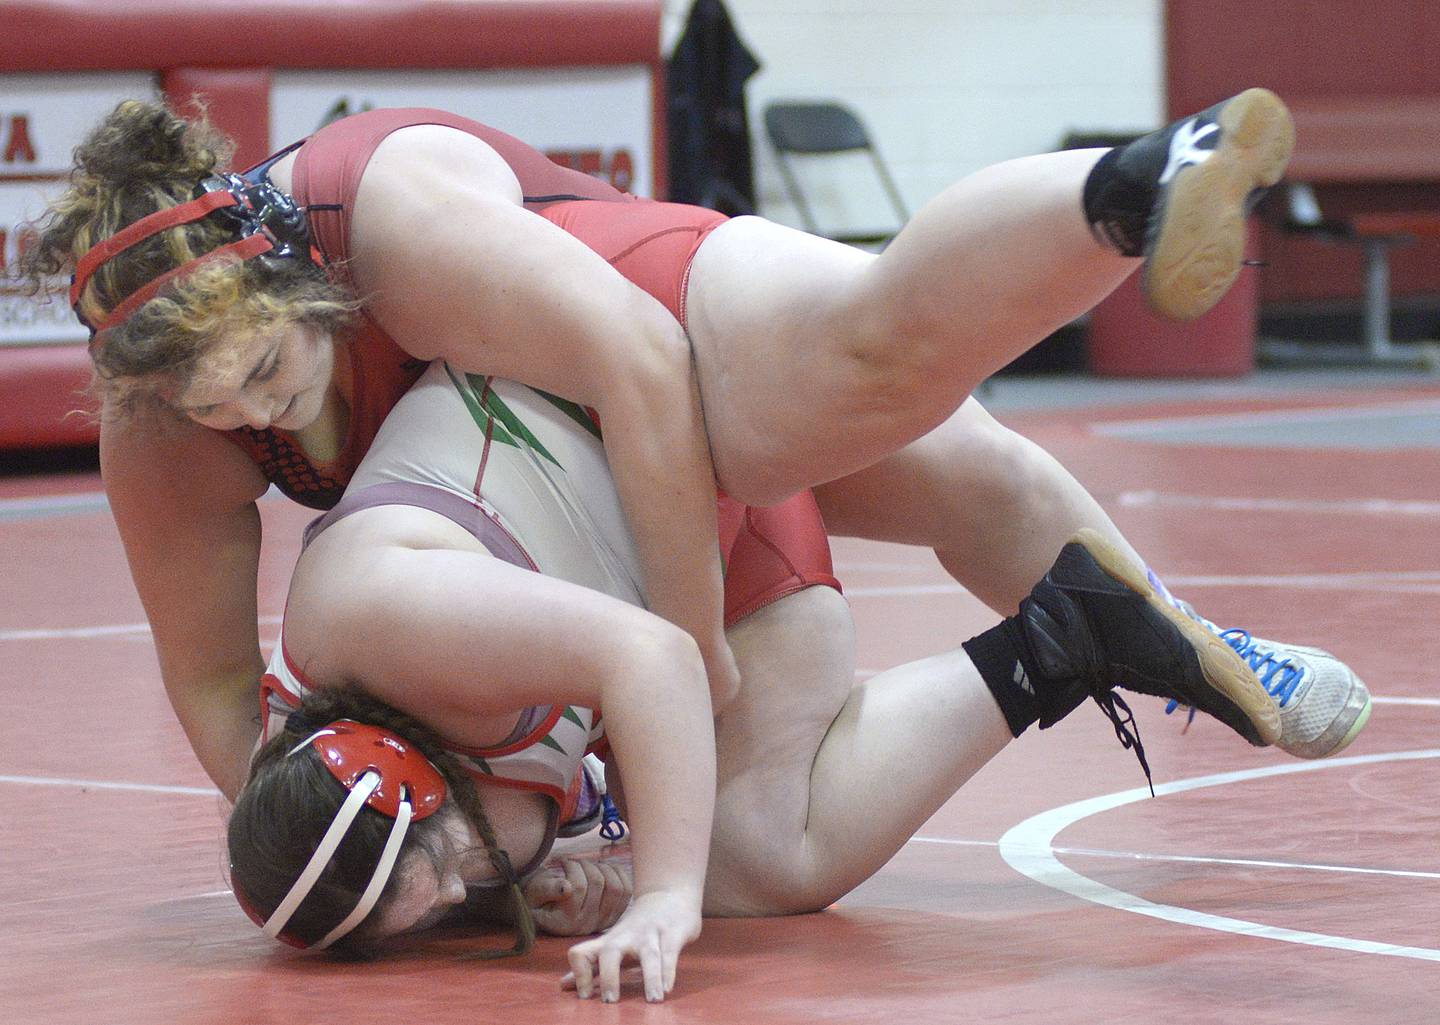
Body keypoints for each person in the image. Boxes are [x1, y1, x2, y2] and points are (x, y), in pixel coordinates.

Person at [22, 89, 1361, 801]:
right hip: (579, 486)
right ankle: (1082, 627)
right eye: (212, 410)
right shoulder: (161, 430)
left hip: (650, 341)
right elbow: (212, 695)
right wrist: (335, 821)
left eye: (264, 369)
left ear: (293, 276)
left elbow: (641, 364)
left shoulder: (392, 225)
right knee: (762, 855)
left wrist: (690, 640)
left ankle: (1141, 181)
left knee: (890, 374)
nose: (251, 419)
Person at [225, 359, 1369, 1002]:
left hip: (679, 452)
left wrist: (658, 891)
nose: (465, 886)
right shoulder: (356, 806)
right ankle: (1086, 622)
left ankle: (1100, 618)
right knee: (722, 846)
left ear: (397, 772)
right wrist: (584, 861)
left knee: (764, 852)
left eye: (444, 868)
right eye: (421, 915)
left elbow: (655, 658)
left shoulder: (389, 622)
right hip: (651, 508)